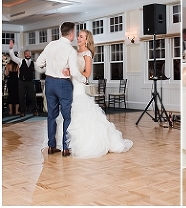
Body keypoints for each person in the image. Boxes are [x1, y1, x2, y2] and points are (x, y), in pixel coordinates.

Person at [51, 30, 133, 158]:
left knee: (78, 112)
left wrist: (72, 73)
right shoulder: (73, 52)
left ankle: (80, 144)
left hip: (78, 87)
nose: (78, 38)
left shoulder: (87, 54)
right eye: (78, 36)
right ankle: (65, 144)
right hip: (68, 85)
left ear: (87, 40)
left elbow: (87, 74)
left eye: (81, 36)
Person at [34, 22, 88, 157]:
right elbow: (75, 72)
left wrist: (50, 69)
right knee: (66, 116)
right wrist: (84, 80)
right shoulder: (70, 50)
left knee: (51, 116)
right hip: (63, 85)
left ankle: (51, 146)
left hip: (49, 83)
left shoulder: (50, 45)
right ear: (71, 34)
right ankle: (66, 147)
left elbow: (39, 63)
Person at [8, 43, 38, 117]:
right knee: (21, 97)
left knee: (33, 97)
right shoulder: (20, 61)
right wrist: (11, 48)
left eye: (29, 54)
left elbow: (41, 69)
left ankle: (35, 111)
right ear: (24, 55)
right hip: (22, 82)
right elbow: (12, 57)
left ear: (31, 55)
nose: (27, 55)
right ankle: (22, 112)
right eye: (26, 54)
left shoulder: (34, 63)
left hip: (30, 82)